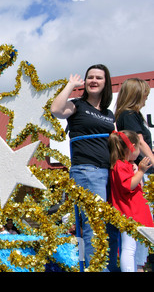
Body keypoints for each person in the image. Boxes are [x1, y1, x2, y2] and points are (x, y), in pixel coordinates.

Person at [50, 64, 118, 270]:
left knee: (109, 225)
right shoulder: (77, 105)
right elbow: (56, 110)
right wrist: (70, 85)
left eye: (99, 77)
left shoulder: (108, 114)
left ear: (106, 83)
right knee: (94, 226)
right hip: (87, 171)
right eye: (90, 77)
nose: (93, 80)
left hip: (109, 173)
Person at [108, 130, 154, 272]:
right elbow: (128, 185)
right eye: (139, 148)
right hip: (129, 214)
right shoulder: (120, 165)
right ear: (132, 147)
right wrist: (140, 171)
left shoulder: (124, 165)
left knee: (135, 248)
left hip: (134, 213)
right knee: (129, 247)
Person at [115, 78, 154, 172]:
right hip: (140, 170)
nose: (147, 97)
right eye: (145, 94)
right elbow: (139, 142)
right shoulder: (129, 115)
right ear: (137, 95)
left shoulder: (131, 115)